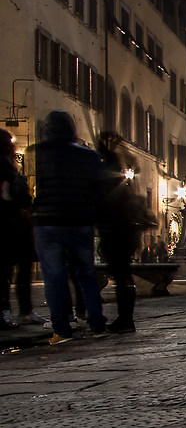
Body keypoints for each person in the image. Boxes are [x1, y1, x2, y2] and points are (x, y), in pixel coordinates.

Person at [29, 111, 107, 342]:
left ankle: (61, 330)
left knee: (54, 276)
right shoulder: (89, 156)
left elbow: (30, 186)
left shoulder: (35, 152)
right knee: (85, 273)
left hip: (47, 221)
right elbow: (98, 190)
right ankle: (97, 324)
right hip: (79, 220)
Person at [96, 132, 144, 333]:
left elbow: (107, 200)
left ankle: (124, 319)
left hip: (114, 228)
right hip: (125, 229)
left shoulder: (109, 169)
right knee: (123, 274)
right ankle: (126, 318)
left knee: (120, 274)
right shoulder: (126, 171)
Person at [1, 129, 44, 329]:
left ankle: (12, 310)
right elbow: (17, 194)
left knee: (8, 270)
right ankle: (18, 311)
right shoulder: (6, 166)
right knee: (15, 269)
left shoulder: (8, 165)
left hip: (10, 225)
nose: (13, 146)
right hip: (12, 225)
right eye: (11, 142)